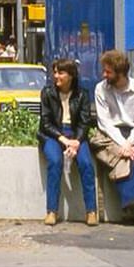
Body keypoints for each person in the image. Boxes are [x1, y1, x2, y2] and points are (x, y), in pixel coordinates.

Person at [90, 49, 134, 225]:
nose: (104, 75)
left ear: (121, 73)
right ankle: (131, 205)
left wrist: (129, 143)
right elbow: (105, 122)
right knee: (122, 158)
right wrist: (123, 145)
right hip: (111, 134)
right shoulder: (100, 89)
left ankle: (129, 206)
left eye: (108, 71)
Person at [39, 58, 98, 227]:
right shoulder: (47, 92)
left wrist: (77, 141)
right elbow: (45, 122)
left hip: (76, 135)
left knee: (86, 164)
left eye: (61, 73)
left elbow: (85, 122)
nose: (56, 76)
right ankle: (52, 211)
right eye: (55, 72)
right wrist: (63, 139)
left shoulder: (82, 94)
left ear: (71, 75)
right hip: (53, 135)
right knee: (55, 162)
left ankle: (91, 211)